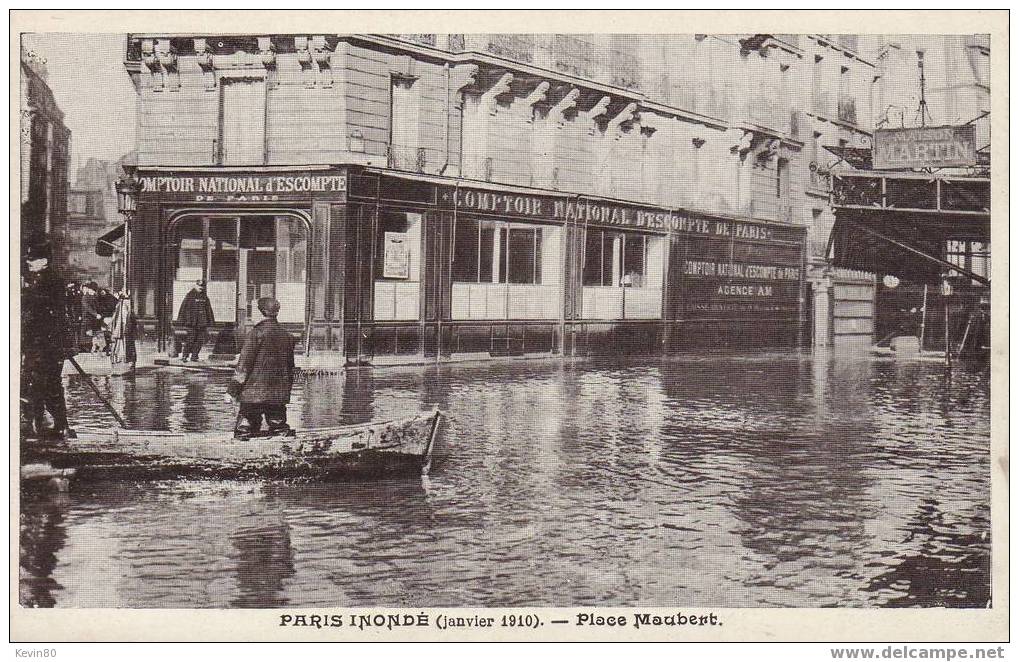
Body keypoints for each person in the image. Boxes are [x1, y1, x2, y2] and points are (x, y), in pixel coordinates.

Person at [21, 234, 76, 439]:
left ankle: (42, 426)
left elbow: (37, 313)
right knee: (47, 383)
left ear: (43, 261)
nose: (28, 262)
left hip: (45, 344)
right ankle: (58, 425)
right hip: (46, 343)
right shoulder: (46, 280)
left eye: (32, 259)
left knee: (39, 382)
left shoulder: (48, 282)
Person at [229, 297, 296, 439]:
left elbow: (243, 365)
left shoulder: (255, 333)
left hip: (253, 394)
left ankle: (243, 446)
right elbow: (291, 368)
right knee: (278, 426)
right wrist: (287, 389)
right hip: (278, 395)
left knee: (245, 428)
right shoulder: (287, 335)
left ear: (261, 313)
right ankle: (280, 441)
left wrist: (232, 391)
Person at [175, 279, 215, 362]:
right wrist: (183, 321)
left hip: (202, 323)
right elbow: (183, 309)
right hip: (191, 323)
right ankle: (185, 356)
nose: (201, 288)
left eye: (202, 286)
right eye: (199, 286)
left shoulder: (204, 297)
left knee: (199, 340)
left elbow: (208, 310)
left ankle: (194, 356)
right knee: (190, 339)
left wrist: (210, 321)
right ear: (195, 285)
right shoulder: (190, 296)